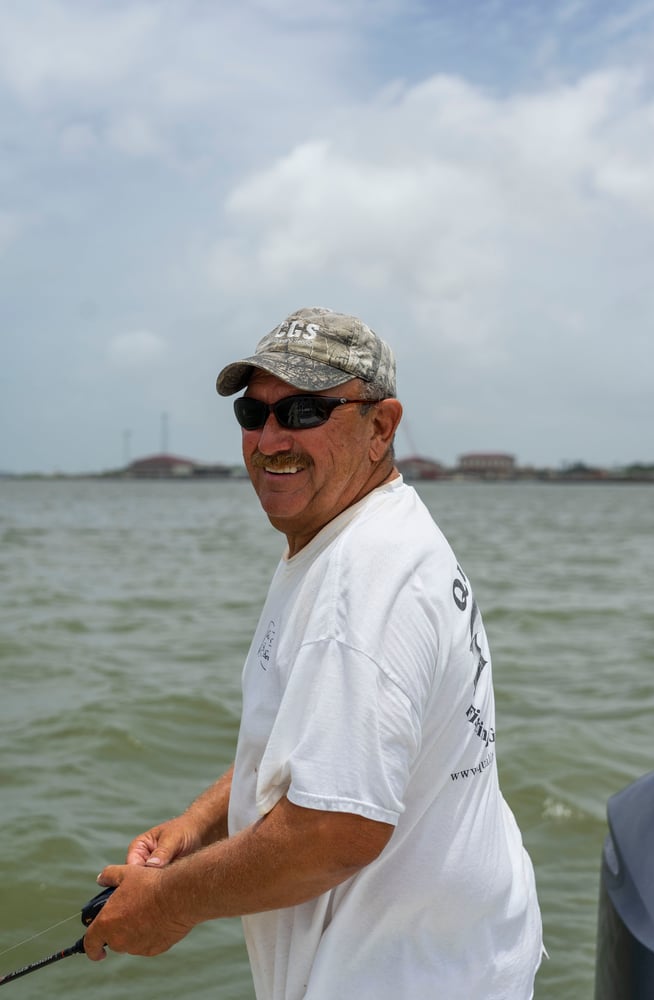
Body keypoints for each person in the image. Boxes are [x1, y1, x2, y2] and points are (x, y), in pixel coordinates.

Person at [84, 306, 543, 998]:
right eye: (253, 413)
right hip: (462, 958)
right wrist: (199, 824)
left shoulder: (363, 581)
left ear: (380, 427)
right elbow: (320, 746)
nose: (270, 439)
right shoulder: (356, 535)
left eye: (303, 412)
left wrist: (170, 900)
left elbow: (333, 833)